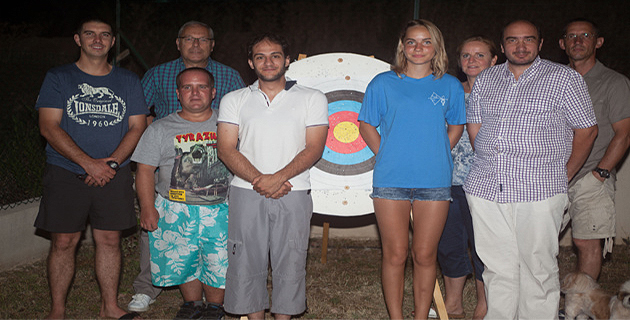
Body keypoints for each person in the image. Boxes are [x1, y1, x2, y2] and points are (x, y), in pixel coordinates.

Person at [464, 20, 598, 319]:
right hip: (486, 187)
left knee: (537, 268)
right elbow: (475, 123)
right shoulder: (486, 79)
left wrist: (565, 174)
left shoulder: (564, 79)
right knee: (497, 266)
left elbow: (587, 130)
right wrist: (489, 158)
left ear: (540, 43)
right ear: (502, 45)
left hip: (540, 189)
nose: (520, 46)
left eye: (528, 40)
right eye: (512, 40)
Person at [34, 18, 147, 320]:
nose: (97, 40)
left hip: (114, 172)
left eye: (104, 35)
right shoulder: (58, 77)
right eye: (90, 34)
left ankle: (109, 306)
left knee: (109, 240)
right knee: (63, 242)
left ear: (112, 42)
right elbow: (48, 126)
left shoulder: (128, 81)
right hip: (65, 172)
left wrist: (110, 164)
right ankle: (57, 310)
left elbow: (137, 126)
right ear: (77, 39)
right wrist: (88, 163)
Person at [129, 20, 245, 313]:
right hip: (174, 209)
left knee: (219, 261)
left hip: (220, 207)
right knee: (184, 260)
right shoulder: (159, 129)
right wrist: (146, 207)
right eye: (188, 88)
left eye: (202, 87)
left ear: (214, 91)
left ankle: (215, 308)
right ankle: (192, 305)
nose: (195, 93)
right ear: (177, 93)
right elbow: (144, 170)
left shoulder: (230, 125)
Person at [358, 19, 465, 319]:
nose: (419, 48)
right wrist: (387, 152)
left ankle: (420, 316)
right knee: (395, 255)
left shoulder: (450, 85)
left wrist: (439, 150)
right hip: (390, 181)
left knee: (425, 255)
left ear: (436, 47)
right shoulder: (383, 83)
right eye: (412, 41)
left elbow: (457, 124)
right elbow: (366, 123)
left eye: (426, 41)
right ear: (402, 46)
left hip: (434, 181)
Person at [216, 33, 328, 319]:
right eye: (260, 56)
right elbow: (226, 149)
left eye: (275, 55)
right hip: (245, 191)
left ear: (287, 60)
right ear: (250, 62)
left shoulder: (312, 98)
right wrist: (260, 180)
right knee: (245, 259)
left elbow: (314, 147)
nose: (268, 62)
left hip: (294, 190)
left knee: (291, 259)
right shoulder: (234, 99)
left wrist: (277, 178)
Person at [559, 18, 630, 282]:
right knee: (538, 242)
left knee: (586, 242)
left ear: (598, 42)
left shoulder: (614, 83)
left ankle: (581, 308)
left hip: (591, 177)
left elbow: (624, 134)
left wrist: (600, 174)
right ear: (562, 43)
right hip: (552, 177)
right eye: (571, 36)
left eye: (585, 35)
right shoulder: (554, 81)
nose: (577, 41)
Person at [436, 36, 496, 320]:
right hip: (447, 182)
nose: (472, 60)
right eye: (466, 55)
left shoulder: (504, 94)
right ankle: (454, 304)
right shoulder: (447, 92)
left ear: (494, 60)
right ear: (459, 62)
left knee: (484, 246)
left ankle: (485, 304)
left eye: (480, 55)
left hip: (486, 182)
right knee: (449, 244)